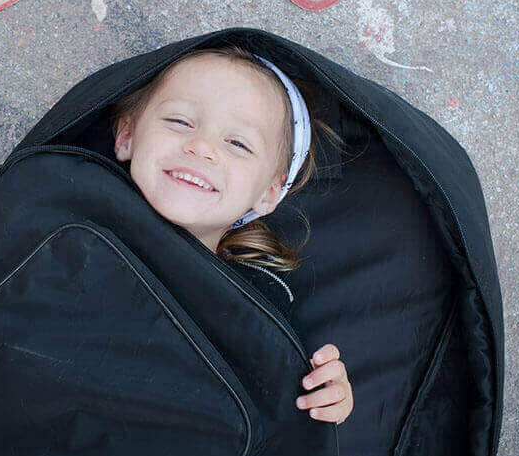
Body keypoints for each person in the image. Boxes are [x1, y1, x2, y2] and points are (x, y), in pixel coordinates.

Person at [110, 42, 354, 426]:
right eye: (180, 121)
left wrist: (326, 397)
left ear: (269, 192)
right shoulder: (71, 205)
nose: (202, 147)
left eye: (237, 143)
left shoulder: (259, 299)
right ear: (126, 134)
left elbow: (268, 413)